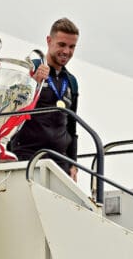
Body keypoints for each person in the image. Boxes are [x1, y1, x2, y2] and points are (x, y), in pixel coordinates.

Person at [9, 18, 80, 181]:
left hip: (59, 161)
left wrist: (73, 163)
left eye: (72, 47)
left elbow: (72, 126)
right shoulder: (30, 68)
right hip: (27, 156)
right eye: (62, 45)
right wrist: (32, 83)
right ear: (49, 41)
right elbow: (9, 110)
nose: (66, 51)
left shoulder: (71, 81)